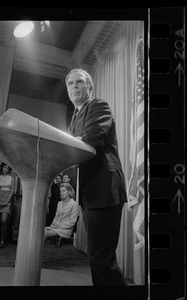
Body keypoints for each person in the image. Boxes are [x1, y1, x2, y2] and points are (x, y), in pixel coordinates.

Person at [66, 68, 127, 286]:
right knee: (96, 260)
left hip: (104, 191)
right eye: (70, 83)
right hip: (90, 194)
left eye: (79, 82)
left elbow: (91, 138)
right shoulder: (75, 116)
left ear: (89, 87)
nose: (74, 86)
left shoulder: (98, 105)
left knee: (101, 260)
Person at [11, 174, 22, 245]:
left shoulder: (25, 177)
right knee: (15, 219)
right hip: (13, 198)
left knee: (20, 219)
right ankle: (14, 238)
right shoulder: (13, 178)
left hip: (22, 198)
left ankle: (20, 238)